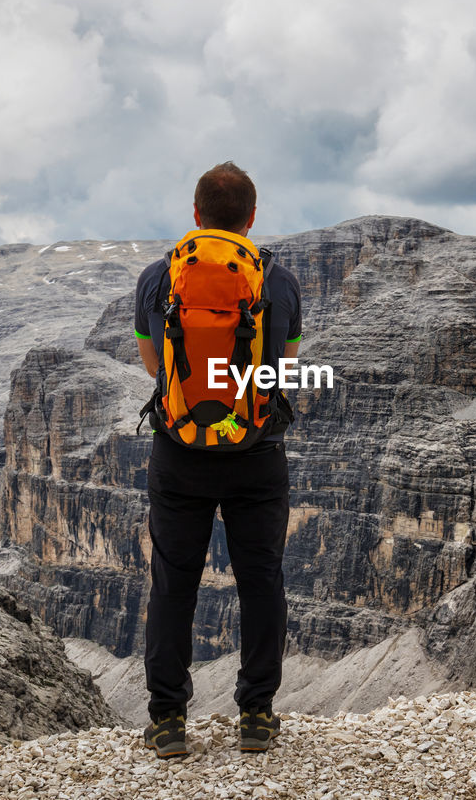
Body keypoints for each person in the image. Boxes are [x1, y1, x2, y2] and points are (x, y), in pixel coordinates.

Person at [133, 162, 302, 757]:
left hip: (179, 454)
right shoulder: (277, 282)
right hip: (258, 454)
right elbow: (282, 367)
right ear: (251, 219)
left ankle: (167, 721)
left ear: (196, 215)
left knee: (174, 586)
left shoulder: (158, 277)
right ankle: (256, 715)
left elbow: (156, 368)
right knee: (260, 582)